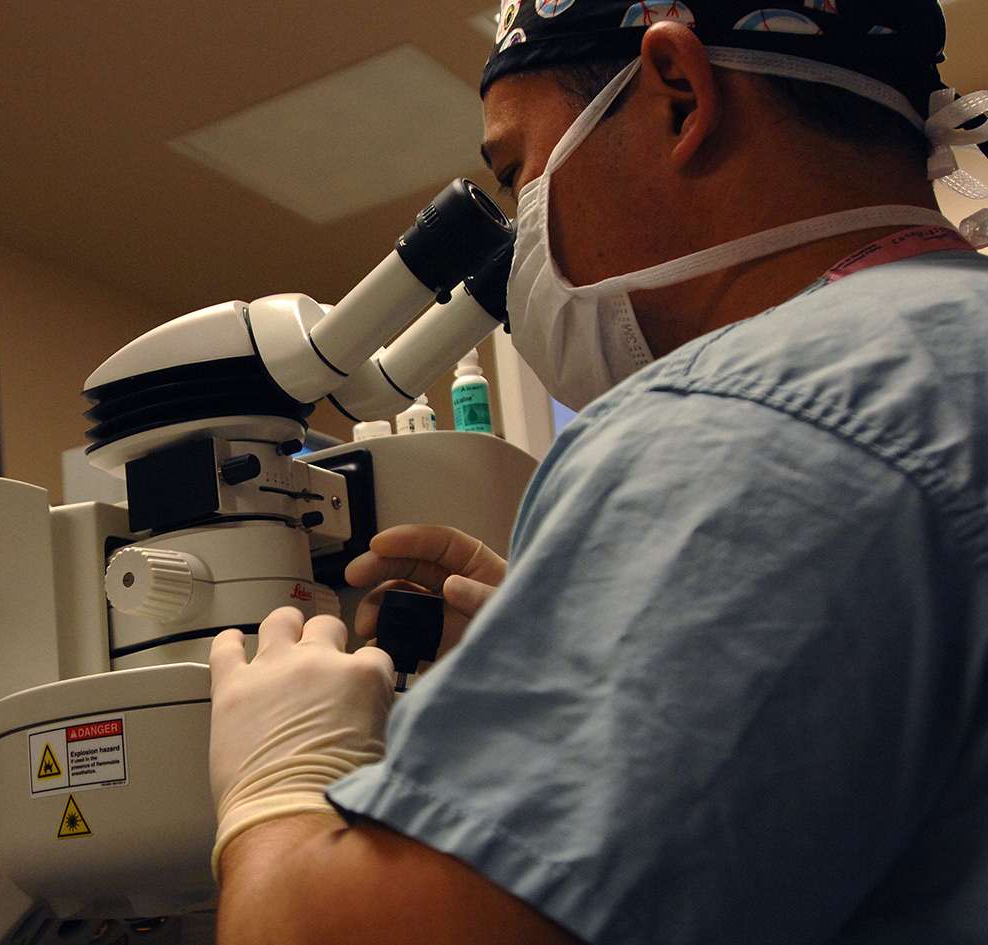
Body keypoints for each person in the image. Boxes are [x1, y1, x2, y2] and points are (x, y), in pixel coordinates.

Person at [207, 2, 988, 943]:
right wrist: (601, 648)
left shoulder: (743, 423)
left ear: (678, 95)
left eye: (520, 169)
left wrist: (278, 780)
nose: (526, 225)